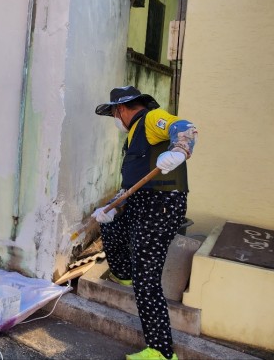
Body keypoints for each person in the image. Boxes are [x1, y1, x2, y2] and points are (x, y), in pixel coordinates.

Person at [92, 86, 197, 360]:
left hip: (160, 206)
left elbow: (184, 126)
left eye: (114, 113)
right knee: (110, 226)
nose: (116, 120)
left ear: (122, 109)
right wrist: (113, 208)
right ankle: (124, 274)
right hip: (141, 203)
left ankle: (162, 352)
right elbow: (132, 185)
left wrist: (179, 150)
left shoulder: (150, 120)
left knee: (147, 280)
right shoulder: (135, 136)